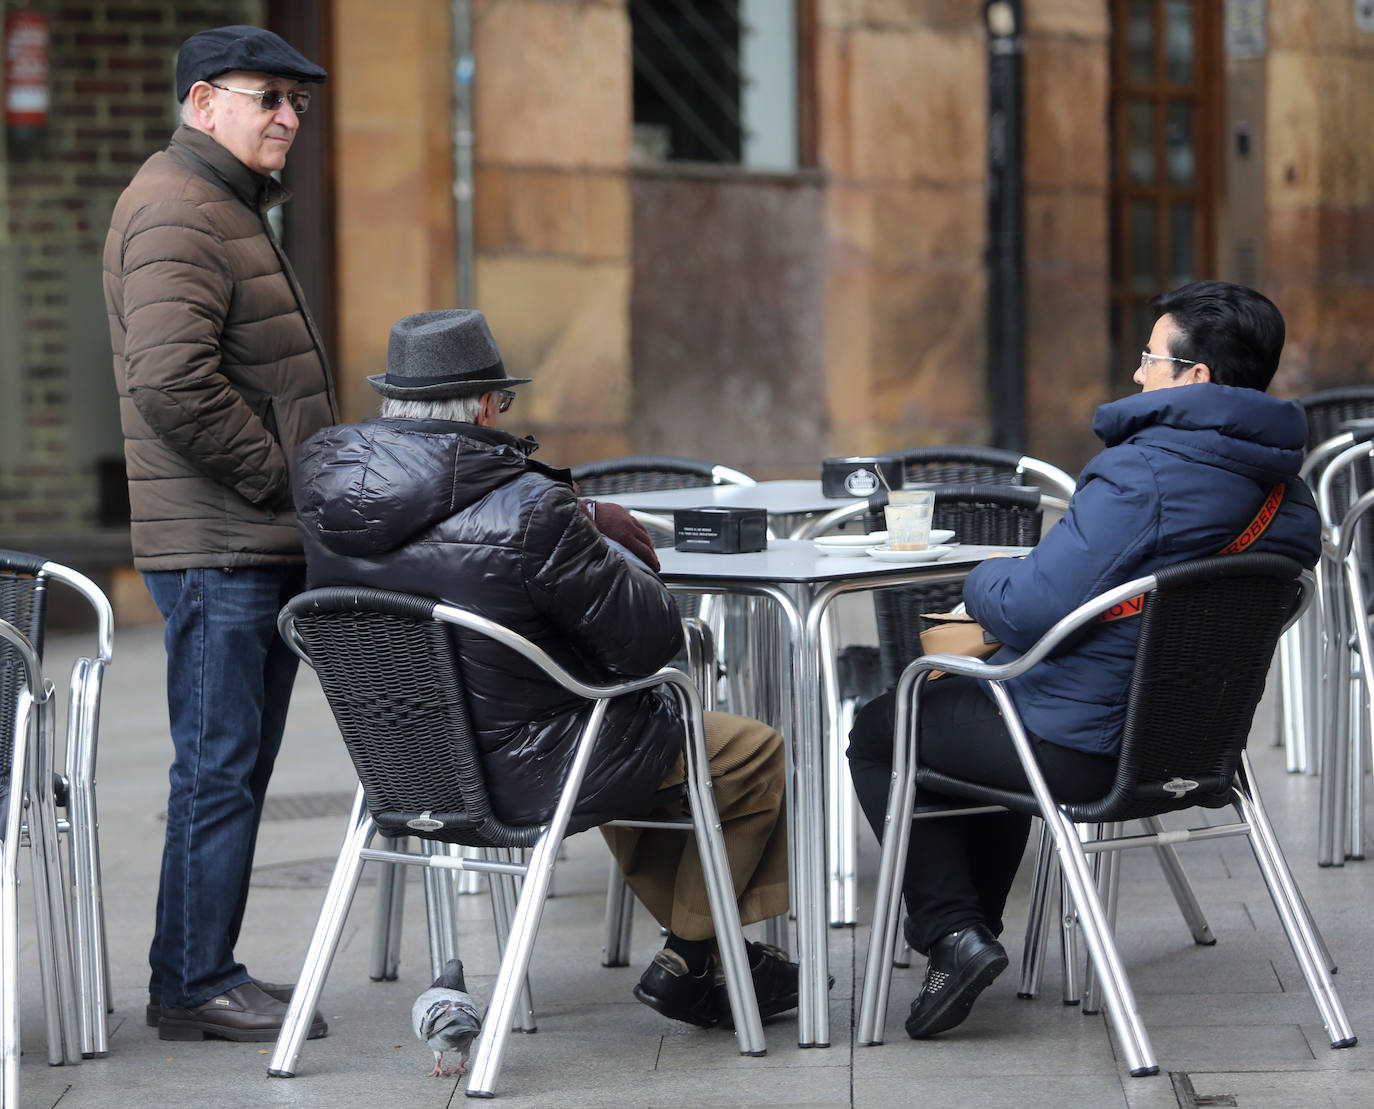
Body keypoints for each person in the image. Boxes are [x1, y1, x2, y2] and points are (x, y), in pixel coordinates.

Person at [292, 308, 797, 1028]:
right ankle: (695, 952)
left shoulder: (327, 507)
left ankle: (706, 956)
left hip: (401, 770)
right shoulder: (531, 508)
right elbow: (649, 643)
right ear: (490, 405)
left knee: (633, 734)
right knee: (743, 751)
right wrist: (608, 540)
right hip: (531, 772)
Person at [847, 280, 1321, 1041]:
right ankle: (968, 937)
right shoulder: (1288, 495)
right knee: (982, 711)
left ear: (1194, 377)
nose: (1136, 375)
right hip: (1196, 749)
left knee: (889, 721)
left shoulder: (1144, 473)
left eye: (1148, 357)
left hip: (1088, 749)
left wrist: (981, 576)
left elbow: (1034, 603)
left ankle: (952, 936)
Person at [102, 26, 336, 1042]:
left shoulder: (221, 204)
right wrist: (282, 477)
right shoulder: (178, 208)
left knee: (230, 760)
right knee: (218, 761)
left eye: (298, 100)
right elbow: (170, 380)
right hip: (222, 545)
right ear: (204, 103)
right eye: (268, 96)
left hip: (247, 541)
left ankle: (202, 964)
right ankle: (194, 980)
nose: (288, 116)